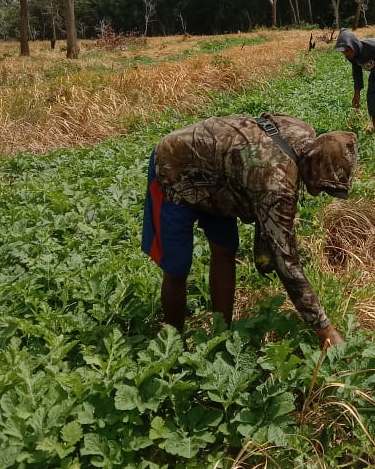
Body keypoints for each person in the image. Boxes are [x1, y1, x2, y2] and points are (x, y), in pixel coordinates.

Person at [141, 113, 357, 347]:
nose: (318, 193)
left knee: (225, 250)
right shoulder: (276, 182)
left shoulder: (304, 134)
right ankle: (172, 343)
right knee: (177, 266)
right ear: (313, 162)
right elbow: (286, 262)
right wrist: (324, 328)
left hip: (219, 177)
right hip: (175, 165)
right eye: (321, 185)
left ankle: (221, 334)